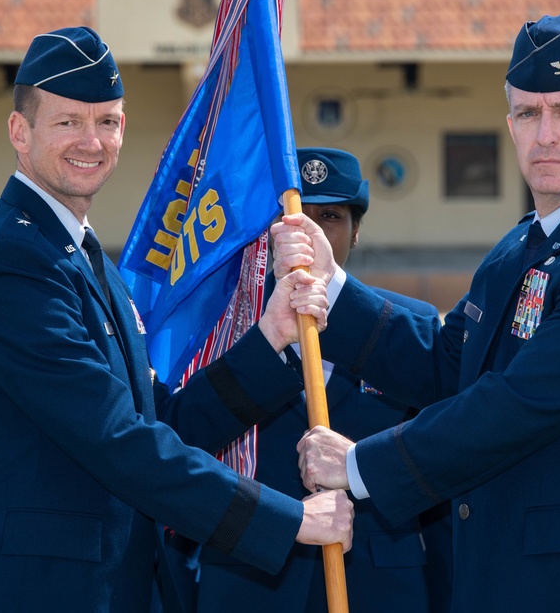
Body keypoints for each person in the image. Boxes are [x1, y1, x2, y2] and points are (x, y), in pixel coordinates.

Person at [276, 13, 560, 612]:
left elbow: (514, 407)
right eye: (527, 113)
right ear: (509, 125)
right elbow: (445, 367)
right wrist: (333, 288)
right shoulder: (521, 246)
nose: (545, 134)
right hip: (518, 579)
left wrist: (359, 465)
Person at [0, 26, 353, 613]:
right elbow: (115, 439)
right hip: (36, 591)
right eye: (68, 122)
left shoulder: (78, 253)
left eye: (107, 121)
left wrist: (271, 335)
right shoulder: (14, 264)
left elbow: (162, 418)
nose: (91, 140)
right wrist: (289, 520)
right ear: (19, 132)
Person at [192, 148, 452, 613]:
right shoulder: (224, 331)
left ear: (356, 232)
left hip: (378, 584)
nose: (309, 234)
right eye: (294, 218)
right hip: (250, 581)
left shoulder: (406, 326)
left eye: (329, 216)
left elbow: (436, 470)